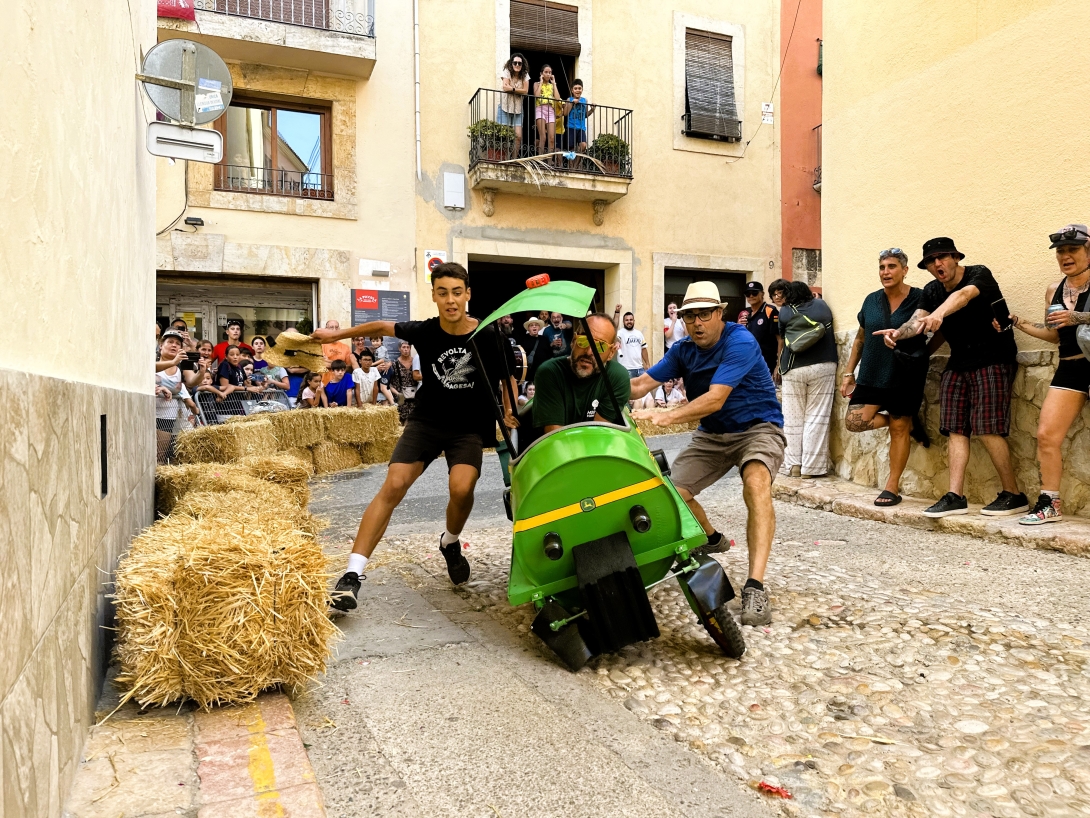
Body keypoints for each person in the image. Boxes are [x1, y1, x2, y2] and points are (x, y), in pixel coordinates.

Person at [312, 262, 517, 609]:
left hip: (468, 426)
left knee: (462, 488)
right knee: (394, 484)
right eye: (442, 293)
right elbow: (380, 324)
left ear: (467, 294)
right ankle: (351, 575)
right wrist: (336, 336)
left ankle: (450, 541)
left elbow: (507, 376)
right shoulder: (424, 330)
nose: (450, 300)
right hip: (427, 421)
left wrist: (510, 411)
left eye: (457, 292)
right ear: (434, 296)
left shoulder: (488, 334)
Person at [631, 282, 785, 627]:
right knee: (668, 494)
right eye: (689, 316)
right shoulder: (683, 349)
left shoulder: (740, 341)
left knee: (756, 484)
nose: (697, 322)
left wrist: (667, 415)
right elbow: (640, 385)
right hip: (713, 435)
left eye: (704, 314)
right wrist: (594, 375)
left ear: (720, 313)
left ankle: (755, 587)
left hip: (758, 428)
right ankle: (712, 539)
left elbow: (715, 398)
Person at [877, 237, 1029, 518]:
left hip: (993, 357)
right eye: (932, 261)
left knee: (987, 428)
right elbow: (917, 320)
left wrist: (938, 314)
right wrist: (899, 333)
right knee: (955, 427)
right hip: (959, 361)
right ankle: (955, 496)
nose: (938, 264)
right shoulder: (933, 290)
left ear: (956, 258)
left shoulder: (977, 273)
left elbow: (962, 296)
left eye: (943, 257)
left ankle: (1014, 494)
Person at [1001, 224, 1090, 525]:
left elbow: (1072, 319)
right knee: (1046, 436)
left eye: (1073, 249)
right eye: (1061, 251)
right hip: (1070, 366)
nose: (1066, 256)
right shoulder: (1054, 290)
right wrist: (1017, 321)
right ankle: (1050, 503)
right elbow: (1054, 335)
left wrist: (1076, 316)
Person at [841, 248, 932, 505]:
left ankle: (892, 487)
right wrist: (849, 373)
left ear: (904, 270)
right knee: (854, 421)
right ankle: (909, 422)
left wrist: (921, 356)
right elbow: (860, 337)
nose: (886, 272)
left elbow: (938, 328)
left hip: (905, 375)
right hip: (871, 373)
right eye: (882, 267)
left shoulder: (920, 298)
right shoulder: (871, 300)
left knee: (899, 428)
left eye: (892, 267)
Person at [777, 281, 838, 479]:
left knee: (792, 419)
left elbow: (783, 337)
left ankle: (793, 464)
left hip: (793, 368)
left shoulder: (785, 311)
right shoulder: (822, 306)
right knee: (816, 418)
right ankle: (811, 469)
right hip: (823, 365)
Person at [533, 314, 631, 431]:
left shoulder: (617, 377)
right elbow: (555, 437)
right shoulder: (549, 372)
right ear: (573, 341)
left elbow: (596, 434)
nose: (589, 351)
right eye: (583, 340)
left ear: (611, 353)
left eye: (600, 346)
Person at [155, 330, 198, 464]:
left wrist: (202, 372)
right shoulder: (151, 360)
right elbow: (147, 368)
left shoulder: (181, 364)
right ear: (161, 345)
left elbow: (191, 382)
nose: (174, 345)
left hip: (168, 416)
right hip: (149, 414)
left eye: (178, 343)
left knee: (164, 456)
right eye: (170, 342)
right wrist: (173, 362)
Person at [739, 281, 780, 377]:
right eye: (748, 294)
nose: (751, 296)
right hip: (748, 362)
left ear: (762, 294)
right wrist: (738, 326)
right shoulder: (745, 313)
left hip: (767, 363)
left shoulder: (770, 311)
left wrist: (779, 365)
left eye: (754, 293)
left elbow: (780, 339)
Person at [499, 53, 529, 147]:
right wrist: (518, 90)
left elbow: (525, 91)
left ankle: (514, 159)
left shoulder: (525, 75)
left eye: (519, 63)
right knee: (504, 135)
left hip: (518, 109)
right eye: (515, 63)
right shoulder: (506, 72)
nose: (517, 65)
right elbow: (505, 87)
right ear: (511, 64)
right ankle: (505, 159)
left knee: (518, 136)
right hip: (505, 107)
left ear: (522, 65)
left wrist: (512, 89)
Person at [388, 340, 422, 423]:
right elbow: (390, 383)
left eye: (408, 347)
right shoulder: (394, 364)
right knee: (401, 420)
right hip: (401, 396)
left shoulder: (415, 362)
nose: (406, 349)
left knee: (414, 420)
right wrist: (397, 394)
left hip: (414, 396)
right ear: (399, 349)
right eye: (404, 347)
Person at [562, 79, 594, 154]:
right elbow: (565, 113)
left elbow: (585, 115)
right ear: (572, 90)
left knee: (583, 146)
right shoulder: (569, 99)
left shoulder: (584, 100)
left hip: (581, 128)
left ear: (582, 89)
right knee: (571, 148)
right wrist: (572, 103)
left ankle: (576, 165)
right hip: (571, 127)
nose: (577, 90)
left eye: (579, 88)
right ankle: (571, 165)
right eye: (575, 88)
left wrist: (592, 110)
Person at [533, 64, 559, 158]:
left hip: (551, 110)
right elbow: (537, 96)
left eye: (550, 72)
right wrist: (540, 82)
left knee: (551, 138)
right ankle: (540, 160)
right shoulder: (536, 84)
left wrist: (554, 83)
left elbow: (557, 98)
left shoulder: (552, 86)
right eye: (546, 72)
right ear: (541, 73)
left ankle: (549, 161)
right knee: (543, 136)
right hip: (540, 108)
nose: (548, 74)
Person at [616, 311, 650, 378]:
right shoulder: (620, 333)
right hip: (626, 369)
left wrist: (647, 364)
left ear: (634, 321)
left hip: (640, 368)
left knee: (642, 388)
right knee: (629, 388)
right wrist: (617, 342)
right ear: (623, 322)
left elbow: (643, 349)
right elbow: (617, 339)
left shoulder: (639, 333)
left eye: (631, 320)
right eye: (627, 320)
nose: (629, 321)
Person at [521, 317, 552, 383]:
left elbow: (549, 356)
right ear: (528, 328)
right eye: (531, 325)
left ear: (539, 327)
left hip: (542, 373)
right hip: (528, 374)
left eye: (536, 325)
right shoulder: (523, 340)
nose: (534, 327)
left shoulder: (544, 339)